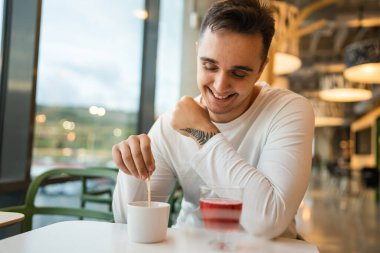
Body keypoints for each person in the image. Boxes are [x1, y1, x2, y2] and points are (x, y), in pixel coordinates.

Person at [112, 0, 314, 239]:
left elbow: (268, 221)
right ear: (198, 52)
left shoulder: (288, 110)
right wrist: (132, 167)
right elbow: (127, 222)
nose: (220, 85)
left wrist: (203, 133)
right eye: (209, 66)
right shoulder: (171, 124)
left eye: (239, 73)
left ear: (260, 69)